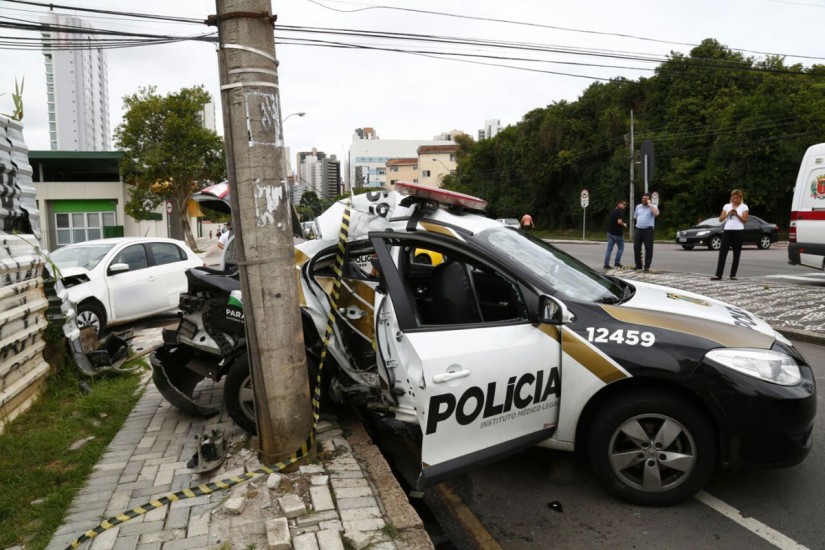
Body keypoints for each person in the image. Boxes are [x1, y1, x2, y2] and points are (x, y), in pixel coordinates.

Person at [711, 189, 749, 281]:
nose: (735, 200)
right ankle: (718, 274)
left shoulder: (744, 207)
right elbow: (720, 219)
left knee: (736, 253)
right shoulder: (727, 206)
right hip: (727, 230)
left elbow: (745, 220)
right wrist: (728, 213)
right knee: (723, 252)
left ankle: (733, 274)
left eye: (737, 198)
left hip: (738, 231)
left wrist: (737, 215)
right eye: (733, 198)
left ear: (740, 198)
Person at [633, 193, 659, 271]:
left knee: (648, 248)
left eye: (646, 198)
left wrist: (650, 205)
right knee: (636, 247)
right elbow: (636, 217)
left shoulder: (652, 207)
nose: (644, 200)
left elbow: (657, 213)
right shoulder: (638, 207)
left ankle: (647, 266)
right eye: (643, 198)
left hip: (648, 229)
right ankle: (638, 265)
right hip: (638, 229)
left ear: (649, 199)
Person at [603, 200, 628, 269]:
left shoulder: (612, 211)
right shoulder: (620, 211)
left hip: (610, 233)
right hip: (618, 234)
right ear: (619, 204)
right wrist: (624, 225)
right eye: (624, 204)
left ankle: (606, 264)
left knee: (609, 249)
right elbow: (619, 221)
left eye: (625, 204)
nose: (625, 206)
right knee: (621, 248)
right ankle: (617, 262)